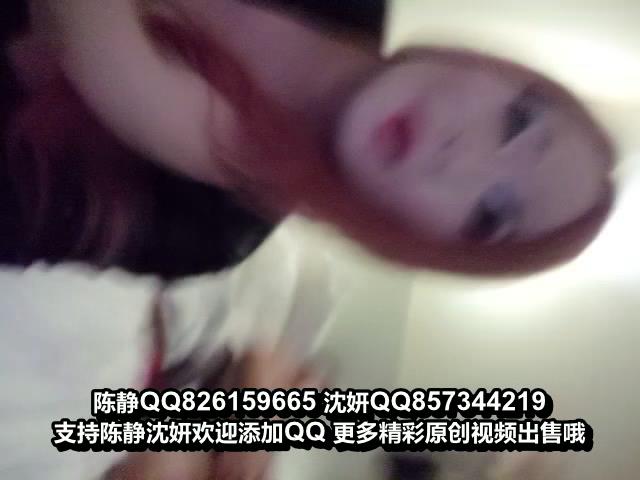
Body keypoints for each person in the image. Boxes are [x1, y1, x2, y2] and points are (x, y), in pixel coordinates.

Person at [35, 0, 615, 277]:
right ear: (494, 67)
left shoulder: (206, 225)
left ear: (432, 246)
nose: (460, 158)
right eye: (516, 123)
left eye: (488, 215)